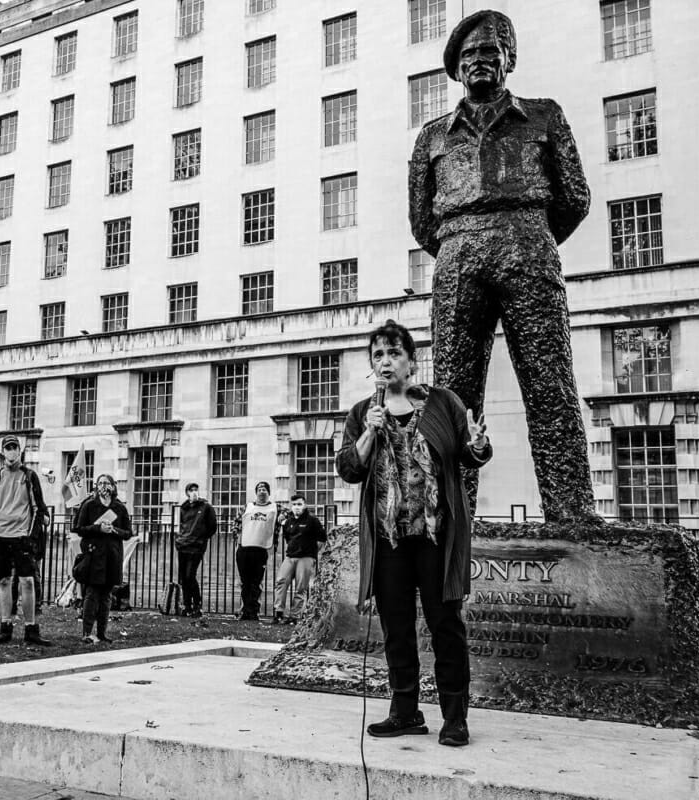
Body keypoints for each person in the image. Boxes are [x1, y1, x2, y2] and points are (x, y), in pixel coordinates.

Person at [408, 9, 592, 522]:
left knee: (549, 383)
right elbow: (421, 221)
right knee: (452, 396)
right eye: (469, 55)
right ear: (456, 67)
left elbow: (574, 198)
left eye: (490, 53)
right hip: (457, 255)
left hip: (528, 247)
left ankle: (572, 511)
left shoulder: (544, 116)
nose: (480, 62)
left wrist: (526, 235)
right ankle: (450, 512)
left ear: (508, 60)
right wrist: (461, 243)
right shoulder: (432, 137)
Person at [336, 320, 492, 747]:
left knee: (445, 626)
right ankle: (405, 711)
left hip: (435, 537)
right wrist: (371, 429)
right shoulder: (361, 413)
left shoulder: (442, 403)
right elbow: (350, 468)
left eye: (394, 354)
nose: (386, 362)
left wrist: (477, 444)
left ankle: (454, 717)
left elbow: (471, 452)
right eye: (378, 356)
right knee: (397, 628)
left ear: (411, 360)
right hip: (389, 540)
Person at [0, 435, 51, 646]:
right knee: (4, 581)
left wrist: (31, 536)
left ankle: (31, 628)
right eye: (8, 448)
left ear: (20, 451)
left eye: (15, 447)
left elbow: (38, 507)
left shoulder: (29, 475)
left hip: (21, 535)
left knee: (28, 581)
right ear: (3, 452)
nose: (11, 452)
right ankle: (5, 626)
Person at [74, 475, 132, 644]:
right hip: (93, 555)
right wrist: (98, 528)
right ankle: (86, 632)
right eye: (100, 483)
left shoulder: (119, 508)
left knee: (106, 595)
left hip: (112, 556)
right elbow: (79, 528)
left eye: (107, 483)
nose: (103, 487)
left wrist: (114, 530)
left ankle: (102, 632)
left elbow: (128, 533)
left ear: (113, 487)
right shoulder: (89, 505)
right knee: (91, 594)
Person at [272, 493, 326, 625]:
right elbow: (288, 538)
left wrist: (311, 553)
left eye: (299, 504)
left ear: (305, 505)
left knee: (300, 587)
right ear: (291, 506)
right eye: (294, 504)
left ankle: (294, 616)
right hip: (290, 557)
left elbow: (321, 539)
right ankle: (279, 613)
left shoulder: (313, 520)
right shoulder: (289, 521)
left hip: (306, 558)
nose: (296, 507)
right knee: (281, 581)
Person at [232, 481, 278, 622]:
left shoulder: (276, 508)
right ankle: (246, 611)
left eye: (265, 489)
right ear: (256, 492)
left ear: (268, 492)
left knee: (256, 582)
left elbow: (288, 518)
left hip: (261, 549)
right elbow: (236, 523)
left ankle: (254, 611)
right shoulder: (247, 507)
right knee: (245, 582)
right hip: (244, 548)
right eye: (259, 489)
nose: (262, 491)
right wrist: (237, 537)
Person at [175, 482, 217, 618]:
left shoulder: (206, 507)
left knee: (190, 575)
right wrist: (180, 539)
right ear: (187, 492)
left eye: (196, 490)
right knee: (184, 578)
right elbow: (181, 525)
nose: (194, 492)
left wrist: (201, 538)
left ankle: (197, 605)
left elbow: (212, 527)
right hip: (184, 545)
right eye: (191, 490)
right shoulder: (184, 508)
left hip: (196, 546)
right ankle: (187, 606)